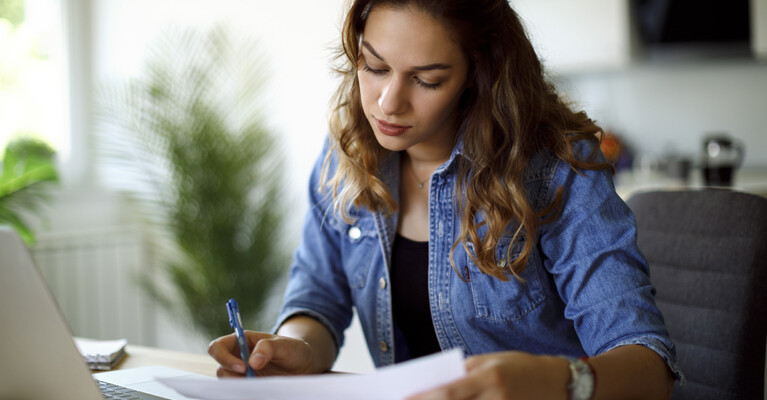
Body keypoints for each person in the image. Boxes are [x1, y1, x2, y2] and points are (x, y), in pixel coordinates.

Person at [208, 0, 683, 398]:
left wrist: (553, 381)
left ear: (479, 74)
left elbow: (648, 367)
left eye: (427, 80)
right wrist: (296, 348)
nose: (388, 102)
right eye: (374, 67)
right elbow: (316, 296)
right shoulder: (347, 158)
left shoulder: (555, 169)